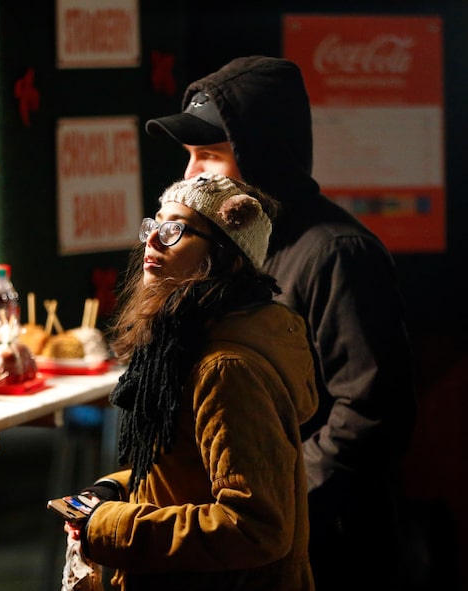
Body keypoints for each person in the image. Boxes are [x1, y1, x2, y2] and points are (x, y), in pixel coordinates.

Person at [144, 55, 417, 589]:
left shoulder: (339, 253)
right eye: (188, 157)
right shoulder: (226, 253)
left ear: (261, 157)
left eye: (209, 156)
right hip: (235, 540)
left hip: (326, 545)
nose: (190, 175)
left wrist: (278, 498)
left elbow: (371, 413)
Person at [60, 172, 319, 590]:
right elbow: (186, 474)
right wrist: (116, 490)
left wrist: (111, 526)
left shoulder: (226, 370)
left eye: (175, 229)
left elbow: (254, 526)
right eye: (154, 225)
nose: (153, 240)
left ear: (226, 256)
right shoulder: (182, 345)